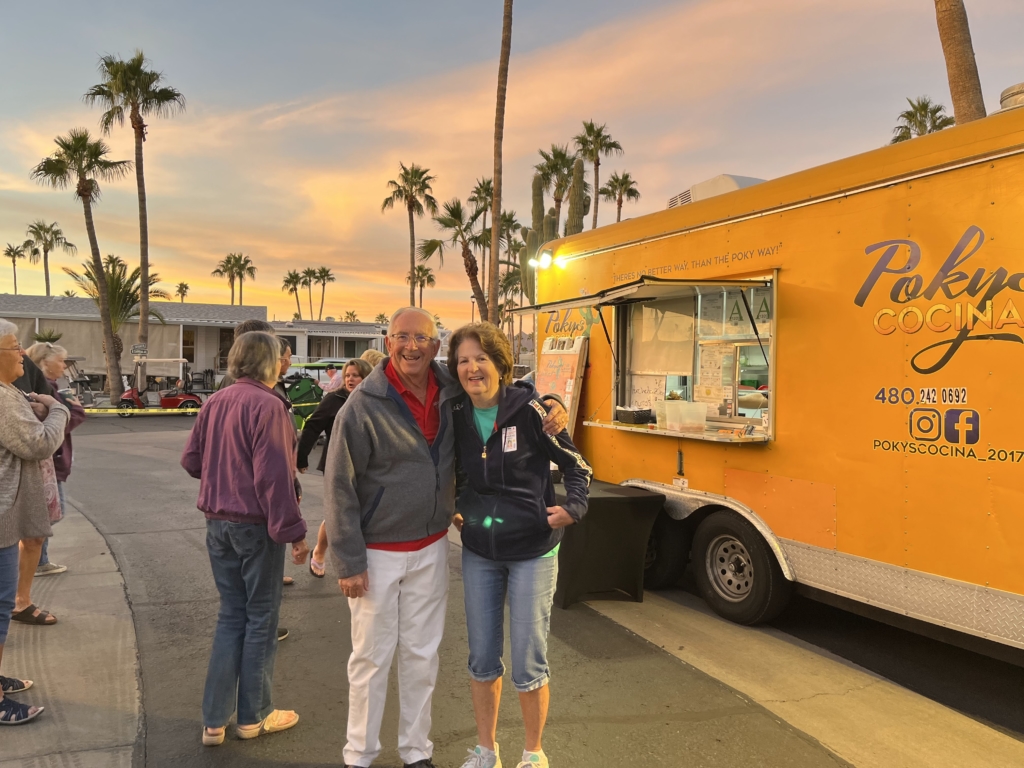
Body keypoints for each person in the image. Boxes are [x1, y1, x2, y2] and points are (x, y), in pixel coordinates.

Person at [324, 307, 568, 768]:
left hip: (432, 546)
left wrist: (552, 399)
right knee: (371, 660)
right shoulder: (362, 405)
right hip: (376, 553)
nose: (410, 346)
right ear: (387, 340)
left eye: (420, 337)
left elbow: (510, 390)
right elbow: (338, 484)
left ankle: (417, 752)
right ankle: (360, 755)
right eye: (400, 337)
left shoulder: (451, 386)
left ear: (436, 346)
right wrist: (348, 560)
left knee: (421, 656)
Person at [446, 324, 591, 768]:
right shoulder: (455, 412)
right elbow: (455, 470)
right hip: (480, 551)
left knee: (529, 658)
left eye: (481, 359)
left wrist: (574, 507)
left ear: (500, 365)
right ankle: (485, 749)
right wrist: (457, 504)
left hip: (533, 550)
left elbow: (578, 465)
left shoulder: (530, 411)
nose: (472, 368)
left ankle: (533, 751)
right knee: (482, 657)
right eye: (463, 360)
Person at [181, 331, 309, 746]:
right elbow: (274, 479)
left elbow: (192, 460)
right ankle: (255, 715)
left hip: (216, 521)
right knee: (261, 618)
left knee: (230, 615)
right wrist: (294, 534)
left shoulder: (215, 401)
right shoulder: (269, 405)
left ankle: (214, 720)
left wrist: (225, 474)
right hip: (254, 525)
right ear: (271, 361)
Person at [0, 318, 70, 724]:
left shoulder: (10, 394)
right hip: (4, 516)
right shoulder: (4, 399)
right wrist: (56, 409)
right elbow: (38, 442)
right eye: (14, 347)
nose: (22, 353)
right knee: (0, 602)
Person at [296, 358, 372, 578]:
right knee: (338, 512)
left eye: (355, 375)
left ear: (366, 377)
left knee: (365, 513)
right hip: (337, 463)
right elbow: (312, 427)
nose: (350, 379)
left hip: (368, 465)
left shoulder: (375, 400)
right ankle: (320, 551)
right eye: (347, 375)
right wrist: (302, 456)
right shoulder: (334, 399)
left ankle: (364, 560)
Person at [25, 343, 87, 577]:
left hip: (50, 460)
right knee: (49, 514)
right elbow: (65, 420)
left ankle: (39, 559)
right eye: (61, 360)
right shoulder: (47, 392)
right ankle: (32, 557)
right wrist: (72, 409)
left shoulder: (45, 389)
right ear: (45, 362)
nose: (64, 365)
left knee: (44, 514)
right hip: (49, 461)